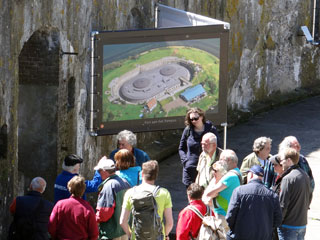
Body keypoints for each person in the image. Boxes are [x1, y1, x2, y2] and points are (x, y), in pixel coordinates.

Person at [120, 160, 173, 240]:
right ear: (156, 175)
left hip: (137, 237)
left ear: (142, 174)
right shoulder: (164, 193)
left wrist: (130, 235)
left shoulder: (130, 193)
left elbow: (122, 221)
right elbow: (169, 223)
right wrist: (165, 235)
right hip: (158, 237)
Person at [226, 165, 282, 240]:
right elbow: (278, 220)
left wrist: (235, 230)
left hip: (241, 235)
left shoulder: (239, 191)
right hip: (264, 236)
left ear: (251, 174)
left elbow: (230, 216)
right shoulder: (272, 195)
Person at [179, 107, 221, 188]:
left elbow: (218, 147)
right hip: (190, 169)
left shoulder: (211, 129)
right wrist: (185, 161)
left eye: (196, 118)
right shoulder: (188, 130)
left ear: (201, 117)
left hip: (206, 169)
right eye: (191, 119)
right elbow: (181, 148)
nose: (194, 121)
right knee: (192, 197)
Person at [202, 149, 241, 233]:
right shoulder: (237, 172)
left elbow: (209, 193)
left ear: (229, 160)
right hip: (226, 213)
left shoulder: (230, 176)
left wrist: (215, 180)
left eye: (221, 160)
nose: (219, 163)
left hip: (223, 215)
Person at [48, 176, 98, 240]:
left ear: (69, 188)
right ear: (83, 190)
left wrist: (55, 237)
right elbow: (94, 233)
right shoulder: (88, 209)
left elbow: (51, 226)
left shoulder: (60, 205)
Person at [277, 148, 311, 240]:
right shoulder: (305, 175)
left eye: (282, 160)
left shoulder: (288, 178)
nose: (281, 163)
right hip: (302, 224)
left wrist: (277, 222)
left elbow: (283, 204)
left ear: (288, 160)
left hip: (288, 226)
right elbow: (309, 197)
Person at [95, 157, 131, 240]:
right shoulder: (125, 182)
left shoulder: (108, 186)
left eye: (99, 171)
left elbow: (104, 212)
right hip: (123, 231)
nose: (99, 173)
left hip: (111, 233)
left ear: (104, 171)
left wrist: (94, 221)